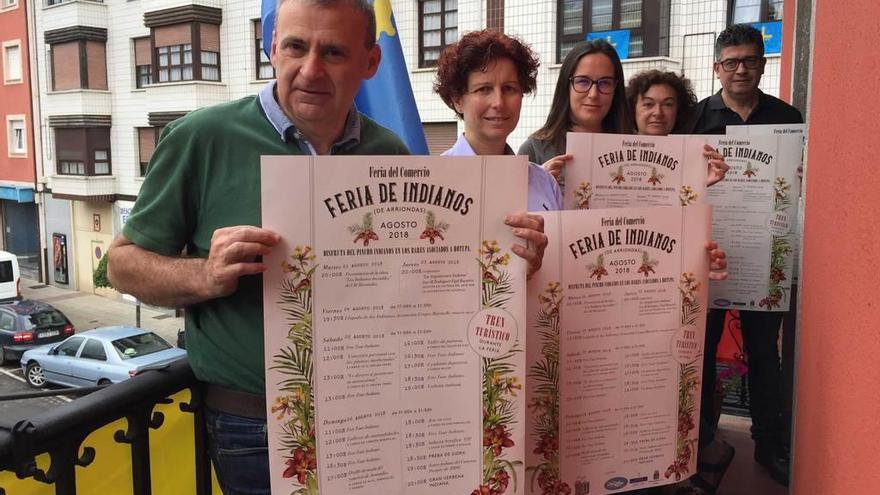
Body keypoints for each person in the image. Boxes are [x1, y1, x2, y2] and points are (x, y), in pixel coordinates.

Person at [106, 1, 407, 493]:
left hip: (372, 414)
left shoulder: (390, 152)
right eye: (295, 46)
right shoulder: (201, 138)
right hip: (253, 426)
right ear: (272, 48)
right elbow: (120, 265)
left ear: (370, 63)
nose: (310, 70)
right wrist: (205, 275)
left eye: (333, 51)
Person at [686, 24, 804, 491]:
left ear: (763, 63)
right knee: (699, 354)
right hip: (707, 258)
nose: (740, 69)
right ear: (717, 67)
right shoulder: (693, 119)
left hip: (761, 259)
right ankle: (702, 443)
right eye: (730, 61)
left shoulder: (787, 117)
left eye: (750, 60)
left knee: (763, 357)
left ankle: (771, 444)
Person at [626, 69, 736, 494]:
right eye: (648, 103)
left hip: (669, 299)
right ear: (633, 108)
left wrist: (705, 255)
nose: (657, 112)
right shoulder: (604, 156)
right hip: (618, 294)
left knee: (671, 388)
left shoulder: (693, 161)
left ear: (680, 111)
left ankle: (672, 474)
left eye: (667, 104)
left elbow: (692, 232)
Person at [433, 29, 562, 213]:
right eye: (484, 89)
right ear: (457, 100)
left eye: (509, 88)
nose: (499, 103)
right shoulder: (433, 181)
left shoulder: (545, 184)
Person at [518, 39, 633, 182]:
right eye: (583, 81)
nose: (593, 94)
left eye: (605, 83)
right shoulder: (535, 150)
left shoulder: (634, 148)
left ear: (616, 89)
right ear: (566, 86)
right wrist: (540, 186)